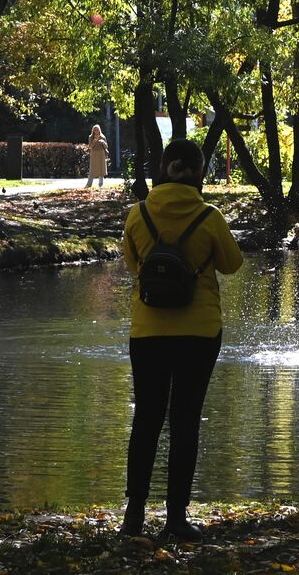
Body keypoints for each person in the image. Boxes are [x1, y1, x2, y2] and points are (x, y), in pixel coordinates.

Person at [120, 138, 243, 540]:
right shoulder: (210, 217)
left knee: (146, 419)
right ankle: (176, 517)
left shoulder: (138, 214)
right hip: (199, 332)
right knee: (185, 421)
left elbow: (133, 265)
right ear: (199, 173)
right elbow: (232, 264)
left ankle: (134, 516)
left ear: (164, 168)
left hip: (148, 331)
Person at [86, 125, 110, 189]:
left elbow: (106, 146)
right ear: (93, 130)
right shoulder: (90, 137)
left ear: (99, 130)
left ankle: (100, 184)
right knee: (92, 169)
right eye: (95, 129)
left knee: (101, 169)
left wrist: (103, 142)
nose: (96, 131)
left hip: (101, 154)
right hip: (94, 154)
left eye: (97, 129)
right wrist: (95, 140)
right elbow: (90, 147)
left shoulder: (103, 137)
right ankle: (89, 184)